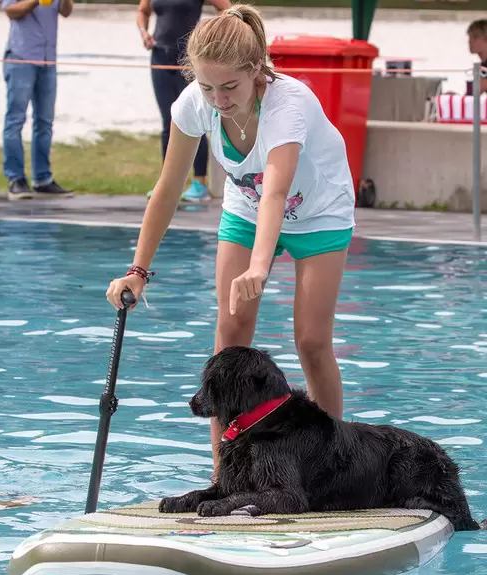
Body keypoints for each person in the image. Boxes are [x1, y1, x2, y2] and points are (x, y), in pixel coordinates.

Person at [106, 4, 354, 475]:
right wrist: (138, 271)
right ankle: (225, 471)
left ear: (257, 70)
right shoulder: (194, 103)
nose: (218, 100)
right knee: (230, 337)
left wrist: (260, 268)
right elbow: (168, 187)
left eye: (230, 87)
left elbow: (277, 192)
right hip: (245, 207)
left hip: (318, 212)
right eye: (206, 86)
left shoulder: (290, 103)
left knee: (311, 340)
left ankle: (332, 466)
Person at [137, 0, 230, 202]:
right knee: (168, 121)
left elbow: (226, 8)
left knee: (195, 119)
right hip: (160, 56)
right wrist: (144, 33)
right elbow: (143, 11)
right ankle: (167, 185)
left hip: (188, 57)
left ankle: (199, 182)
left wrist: (211, 37)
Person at [1, 0, 74, 201]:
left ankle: (43, 179)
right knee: (15, 120)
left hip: (47, 60)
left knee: (45, 121)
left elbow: (66, 12)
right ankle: (15, 178)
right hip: (21, 58)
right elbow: (11, 11)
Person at [467, 20, 487, 93]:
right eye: (470, 37)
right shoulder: (483, 65)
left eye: (475, 37)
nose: (469, 41)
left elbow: (474, 92)